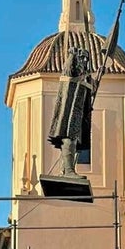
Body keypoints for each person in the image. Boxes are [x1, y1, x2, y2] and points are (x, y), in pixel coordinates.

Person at [48, 47, 92, 178]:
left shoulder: (86, 77)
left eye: (86, 58)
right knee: (69, 138)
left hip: (78, 113)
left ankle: (66, 170)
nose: (84, 61)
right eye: (81, 57)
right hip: (68, 111)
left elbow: (88, 93)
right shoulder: (71, 71)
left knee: (74, 140)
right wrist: (71, 55)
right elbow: (68, 68)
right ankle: (68, 171)